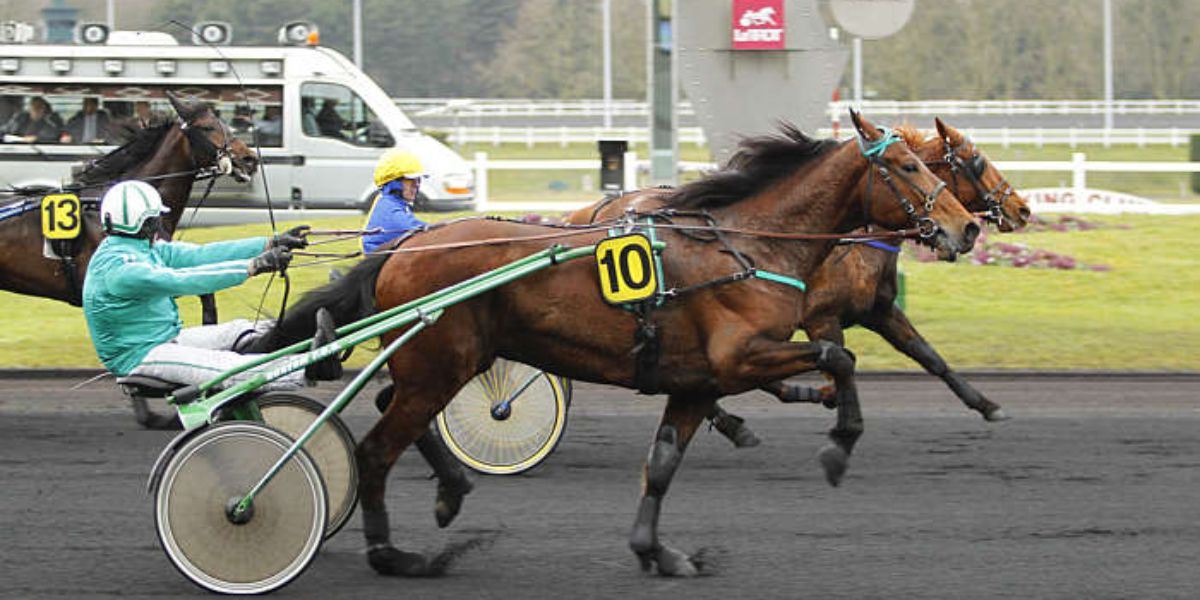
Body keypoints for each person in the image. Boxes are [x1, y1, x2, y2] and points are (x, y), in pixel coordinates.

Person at [83, 181, 343, 410]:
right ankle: (311, 368)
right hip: (141, 356)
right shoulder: (121, 270)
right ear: (148, 223)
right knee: (227, 367)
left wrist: (269, 243)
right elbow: (185, 281)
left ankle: (316, 332)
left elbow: (200, 255)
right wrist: (253, 266)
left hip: (165, 339)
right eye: (157, 220)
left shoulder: (139, 249)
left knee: (240, 330)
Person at [361, 149, 428, 253]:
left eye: (418, 179)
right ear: (394, 183)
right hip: (379, 264)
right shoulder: (390, 209)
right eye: (410, 180)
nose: (417, 185)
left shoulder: (393, 202)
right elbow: (422, 233)